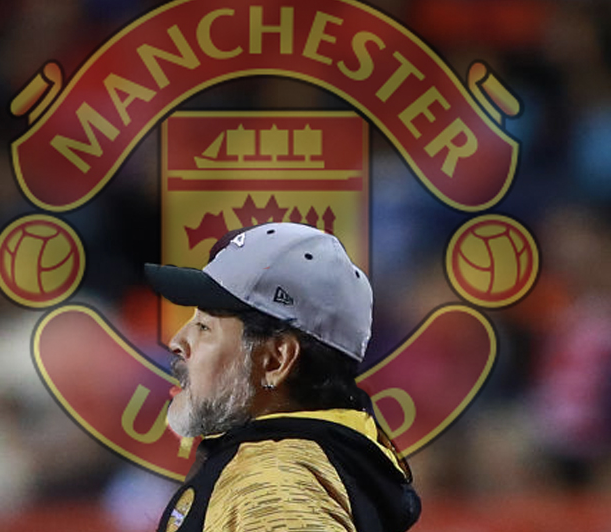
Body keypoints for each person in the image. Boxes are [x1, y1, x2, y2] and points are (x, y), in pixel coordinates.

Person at [144, 222, 421, 532]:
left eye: (204, 327)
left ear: (276, 360)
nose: (177, 342)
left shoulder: (273, 485)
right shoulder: (312, 464)